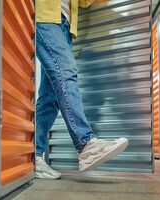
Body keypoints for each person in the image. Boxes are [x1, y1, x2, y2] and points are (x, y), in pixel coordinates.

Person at [34, 0, 128, 179]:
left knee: (49, 97)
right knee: (66, 71)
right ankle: (85, 144)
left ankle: (35, 157)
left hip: (65, 25)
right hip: (44, 17)